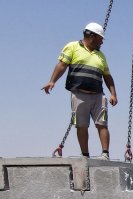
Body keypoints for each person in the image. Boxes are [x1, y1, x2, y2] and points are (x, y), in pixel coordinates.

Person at [42, 22, 118, 160]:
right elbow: (62, 65)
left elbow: (107, 76)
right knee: (81, 125)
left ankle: (105, 154)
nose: (102, 42)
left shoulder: (101, 55)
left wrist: (113, 94)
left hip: (98, 96)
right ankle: (85, 155)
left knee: (102, 124)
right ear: (92, 36)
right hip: (79, 95)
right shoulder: (73, 47)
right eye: (101, 38)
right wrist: (52, 81)